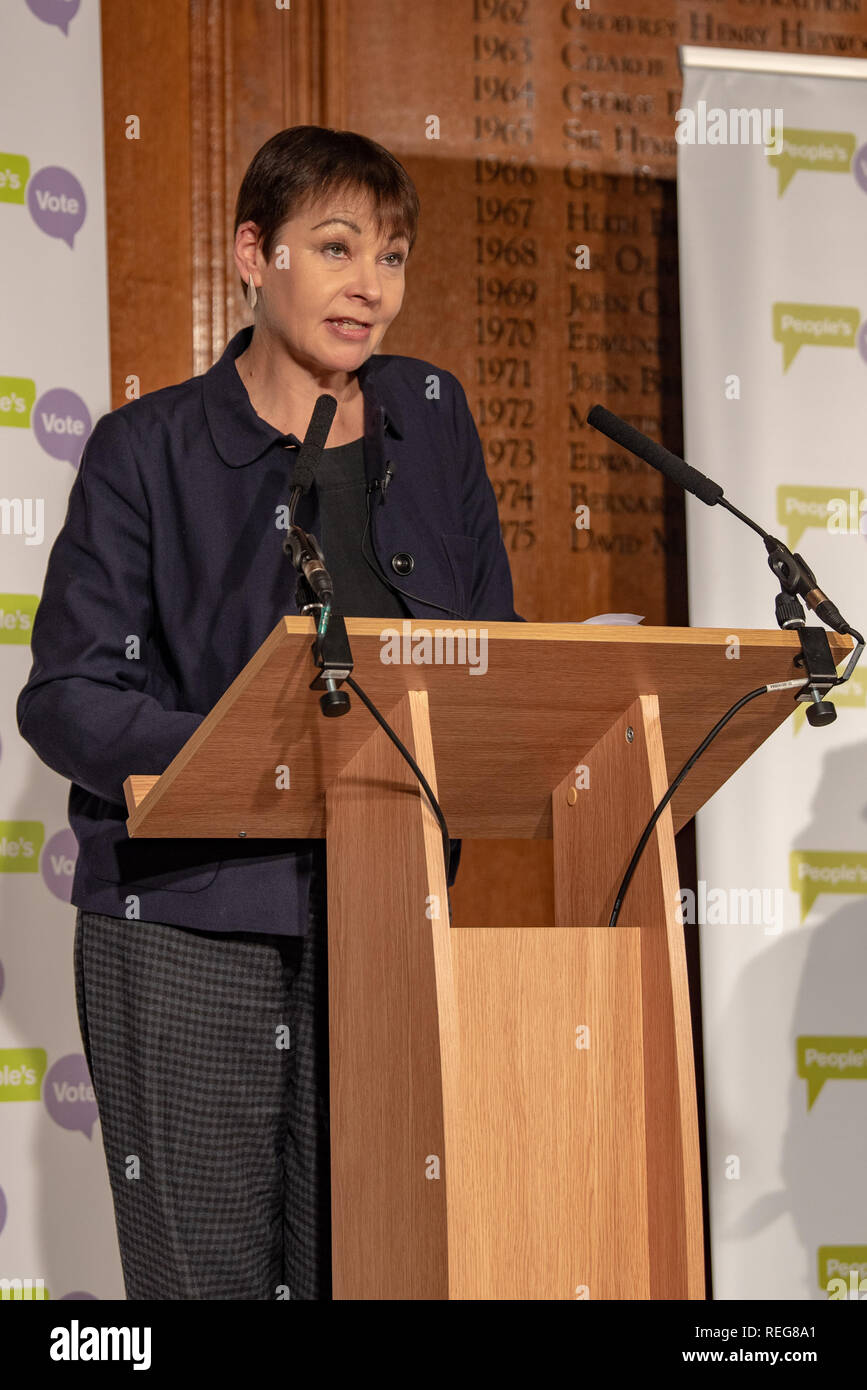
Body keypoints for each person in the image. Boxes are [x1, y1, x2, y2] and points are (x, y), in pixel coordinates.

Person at [16, 125, 522, 1301]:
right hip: (192, 926)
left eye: (391, 256)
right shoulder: (146, 451)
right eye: (336, 247)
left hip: (388, 917)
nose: (370, 286)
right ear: (254, 252)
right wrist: (238, 746)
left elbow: (489, 652)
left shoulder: (434, 424)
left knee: (377, 1270)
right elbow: (69, 696)